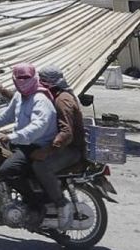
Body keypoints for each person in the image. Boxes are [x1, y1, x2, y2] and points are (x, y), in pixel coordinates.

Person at [0, 63, 57, 212]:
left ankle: (35, 205)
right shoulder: (20, 96)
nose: (23, 81)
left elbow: (37, 128)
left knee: (8, 170)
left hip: (36, 145)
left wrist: (11, 137)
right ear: (14, 78)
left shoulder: (40, 99)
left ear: (34, 77)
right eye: (19, 77)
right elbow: (5, 116)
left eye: (26, 77)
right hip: (21, 142)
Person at [31, 65, 86, 229]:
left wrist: (46, 151)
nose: (39, 83)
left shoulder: (63, 100)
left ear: (49, 82)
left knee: (40, 166)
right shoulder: (52, 95)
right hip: (61, 146)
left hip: (71, 149)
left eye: (41, 80)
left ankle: (61, 203)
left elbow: (67, 133)